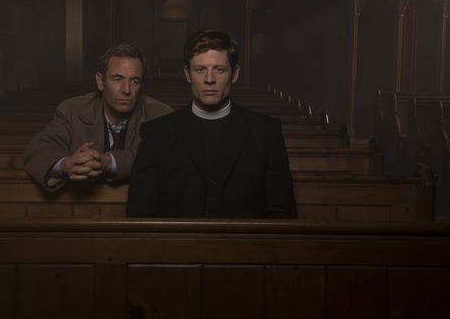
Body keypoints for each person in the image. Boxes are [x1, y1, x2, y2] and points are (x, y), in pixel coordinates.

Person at [126, 29, 297, 218]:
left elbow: (282, 215)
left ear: (235, 74)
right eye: (200, 70)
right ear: (188, 74)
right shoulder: (156, 133)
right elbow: (139, 217)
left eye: (219, 69)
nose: (209, 79)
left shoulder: (266, 132)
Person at [24, 44, 172, 192]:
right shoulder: (71, 110)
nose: (126, 90)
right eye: (117, 79)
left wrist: (108, 162)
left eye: (134, 81)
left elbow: (158, 158)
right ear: (100, 81)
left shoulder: (160, 114)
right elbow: (39, 149)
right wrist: (65, 164)